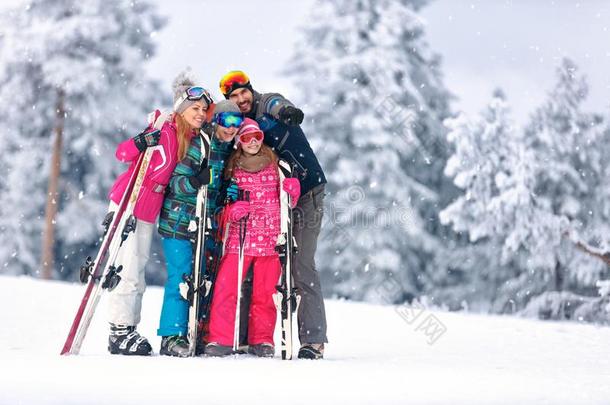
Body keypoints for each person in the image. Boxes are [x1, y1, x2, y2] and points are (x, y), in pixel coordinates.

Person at [218, 70, 328, 359]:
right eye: (234, 96)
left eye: (244, 92)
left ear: (252, 91)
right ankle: (250, 336)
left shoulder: (267, 105)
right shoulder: (240, 125)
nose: (241, 99)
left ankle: (313, 340)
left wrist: (287, 112)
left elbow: (277, 102)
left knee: (299, 261)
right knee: (260, 265)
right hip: (271, 201)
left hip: (305, 192)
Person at [105, 75, 206, 356]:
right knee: (128, 266)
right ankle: (120, 330)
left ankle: (127, 328)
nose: (199, 114)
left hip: (150, 209)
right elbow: (122, 153)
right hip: (130, 200)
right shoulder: (163, 129)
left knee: (139, 268)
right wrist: (141, 141)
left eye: (202, 110)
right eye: (194, 108)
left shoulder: (193, 139)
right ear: (181, 109)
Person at [205, 118, 300, 358]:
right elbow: (223, 201)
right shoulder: (232, 167)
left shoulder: (275, 164)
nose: (253, 142)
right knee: (227, 288)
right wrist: (231, 210)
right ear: (239, 142)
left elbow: (286, 201)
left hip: (269, 237)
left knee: (265, 293)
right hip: (240, 237)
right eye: (247, 138)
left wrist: (292, 192)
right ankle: (220, 338)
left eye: (257, 136)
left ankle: (262, 340)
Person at [156, 99, 244, 357]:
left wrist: (226, 193)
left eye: (236, 123)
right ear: (216, 121)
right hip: (178, 222)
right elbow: (177, 182)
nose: (231, 128)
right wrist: (195, 180)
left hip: (204, 225)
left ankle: (195, 331)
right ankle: (171, 336)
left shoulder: (228, 151)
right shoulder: (200, 145)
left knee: (202, 278)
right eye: (227, 121)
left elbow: (214, 193)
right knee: (182, 276)